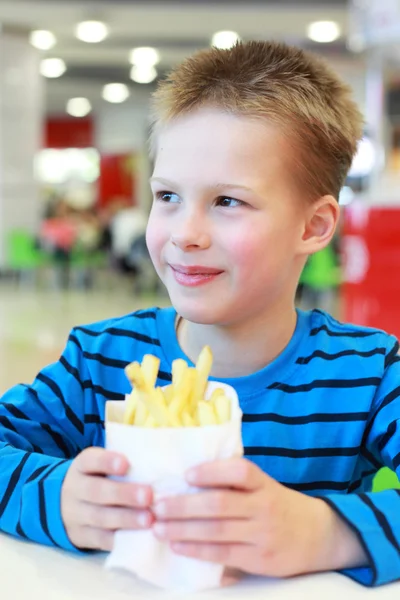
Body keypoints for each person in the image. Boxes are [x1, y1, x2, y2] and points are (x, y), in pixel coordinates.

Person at [0, 41, 399, 588]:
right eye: (167, 197)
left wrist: (322, 532)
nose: (185, 234)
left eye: (227, 201)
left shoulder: (370, 372)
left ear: (314, 227)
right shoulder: (99, 360)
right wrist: (57, 496)